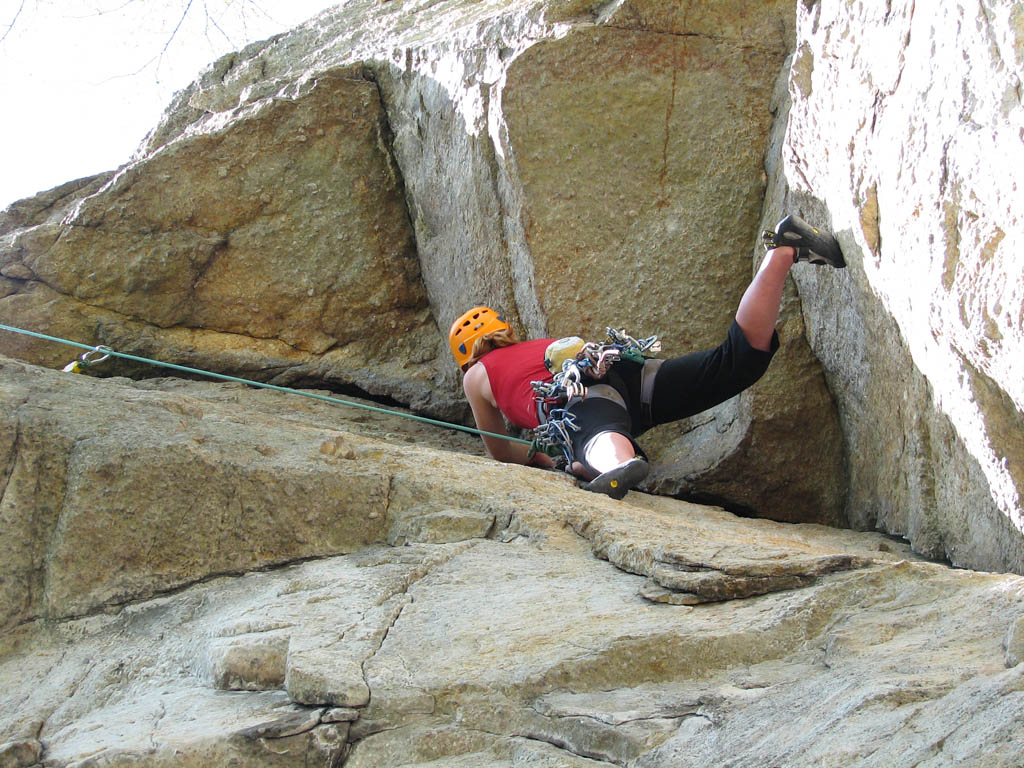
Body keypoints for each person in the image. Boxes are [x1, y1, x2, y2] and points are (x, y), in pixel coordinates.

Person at [451, 215, 846, 499]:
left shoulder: (475, 375)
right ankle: (783, 252)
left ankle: (615, 462)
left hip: (580, 394)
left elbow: (500, 450)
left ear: (467, 357)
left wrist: (543, 456)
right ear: (502, 332)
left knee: (592, 431)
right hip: (622, 372)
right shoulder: (535, 346)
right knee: (737, 362)